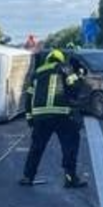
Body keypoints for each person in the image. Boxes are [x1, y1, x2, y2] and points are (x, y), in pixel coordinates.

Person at [20, 49, 88, 188]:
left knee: (36, 148)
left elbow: (29, 97)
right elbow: (75, 87)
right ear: (60, 59)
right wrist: (80, 73)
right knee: (69, 146)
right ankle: (70, 178)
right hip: (62, 114)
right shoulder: (64, 67)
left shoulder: (37, 72)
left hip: (41, 116)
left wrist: (29, 117)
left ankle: (28, 177)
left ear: (48, 59)